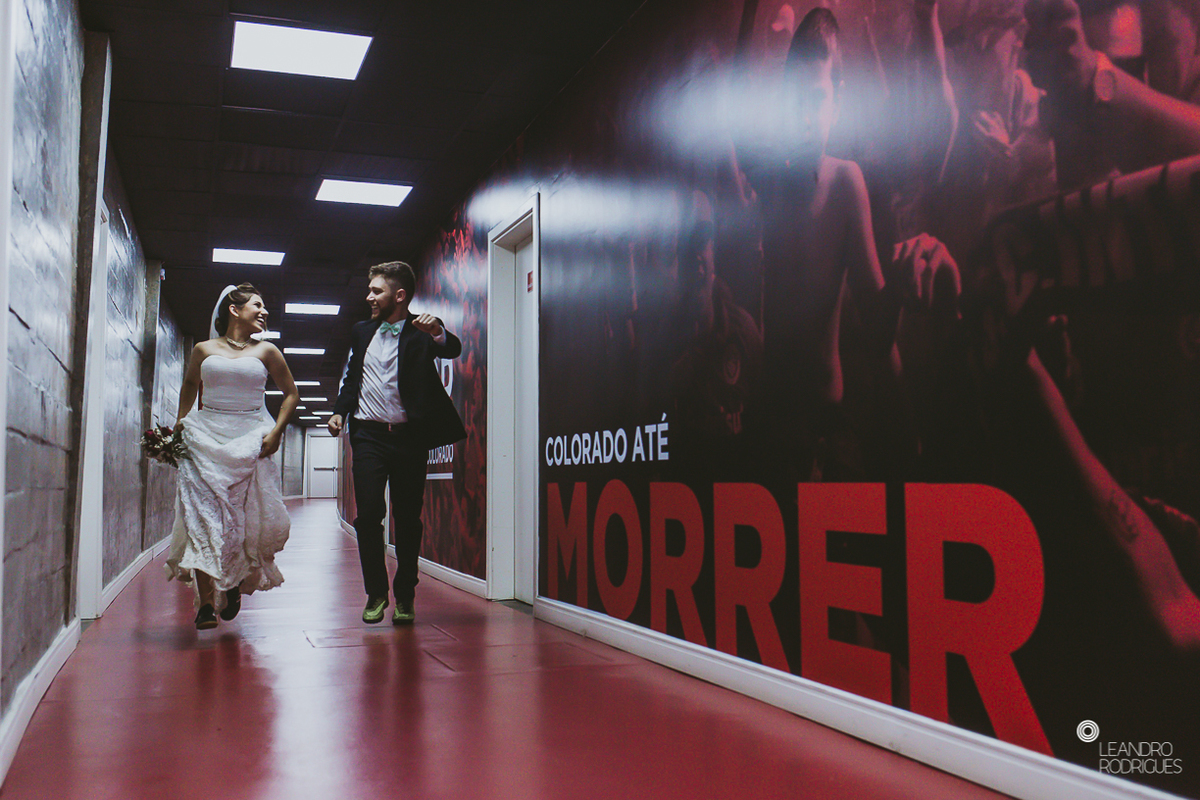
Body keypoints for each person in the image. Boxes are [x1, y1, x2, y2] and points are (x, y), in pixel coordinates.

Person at [747, 7, 960, 479]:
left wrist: (905, 285)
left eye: (815, 99)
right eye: (793, 98)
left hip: (824, 428)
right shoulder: (769, 181)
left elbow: (877, 330)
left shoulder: (845, 182)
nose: (803, 115)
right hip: (771, 425)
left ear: (837, 102)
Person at [327, 261, 466, 625]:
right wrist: (340, 412)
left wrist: (437, 331)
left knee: (407, 520)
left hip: (409, 439)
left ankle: (405, 594)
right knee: (369, 514)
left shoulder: (422, 330)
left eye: (377, 291)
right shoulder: (361, 331)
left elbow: (451, 348)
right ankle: (376, 593)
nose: (369, 296)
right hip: (368, 435)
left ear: (399, 296)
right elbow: (352, 379)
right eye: (370, 290)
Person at [165, 283, 299, 630]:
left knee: (238, 523)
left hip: (249, 440)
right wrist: (180, 425)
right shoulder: (203, 349)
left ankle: (236, 583)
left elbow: (291, 394)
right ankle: (206, 603)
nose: (264, 312)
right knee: (202, 520)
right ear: (234, 309)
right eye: (258, 305)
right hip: (204, 439)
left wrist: (277, 430)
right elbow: (191, 386)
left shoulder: (267, 351)